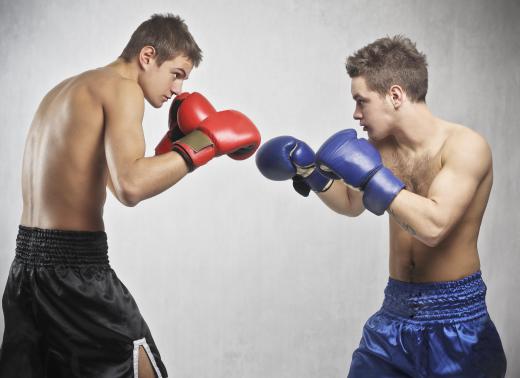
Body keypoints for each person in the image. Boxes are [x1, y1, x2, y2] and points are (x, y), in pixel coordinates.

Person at [0, 13, 260, 378]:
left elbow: (101, 176)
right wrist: (206, 143)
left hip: (25, 270)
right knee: (140, 366)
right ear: (148, 56)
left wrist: (172, 148)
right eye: (177, 73)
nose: (179, 90)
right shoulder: (122, 89)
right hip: (76, 273)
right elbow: (130, 186)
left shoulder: (65, 91)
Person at [256, 35, 506, 377]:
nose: (355, 113)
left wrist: (372, 177)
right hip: (394, 315)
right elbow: (350, 203)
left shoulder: (465, 147)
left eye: (362, 101)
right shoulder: (381, 148)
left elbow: (434, 226)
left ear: (395, 95)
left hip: (457, 320)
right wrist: (310, 172)